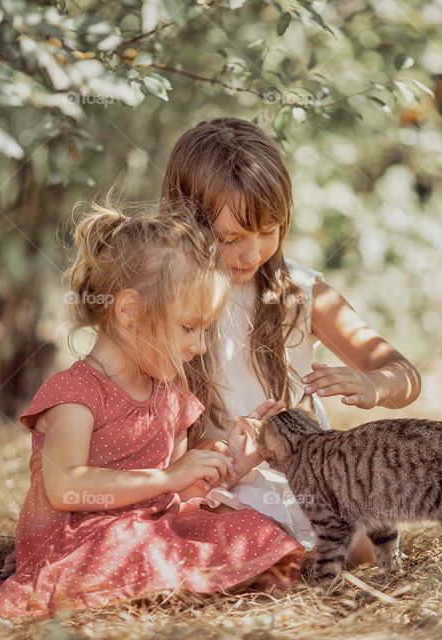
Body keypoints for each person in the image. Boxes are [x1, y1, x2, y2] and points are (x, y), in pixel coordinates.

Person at [0, 203, 305, 618]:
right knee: (136, 546)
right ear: (129, 311)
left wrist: (226, 463)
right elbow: (66, 488)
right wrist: (168, 476)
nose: (200, 345)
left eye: (205, 329)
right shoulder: (76, 392)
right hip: (79, 539)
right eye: (189, 327)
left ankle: (172, 582)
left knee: (246, 525)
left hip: (146, 528)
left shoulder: (170, 390)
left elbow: (175, 492)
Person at [161, 117, 423, 565]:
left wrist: (376, 385)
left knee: (355, 547)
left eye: (268, 231)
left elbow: (406, 376)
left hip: (291, 479)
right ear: (185, 221)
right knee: (199, 535)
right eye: (231, 238)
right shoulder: (164, 296)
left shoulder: (300, 294)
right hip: (202, 479)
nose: (252, 252)